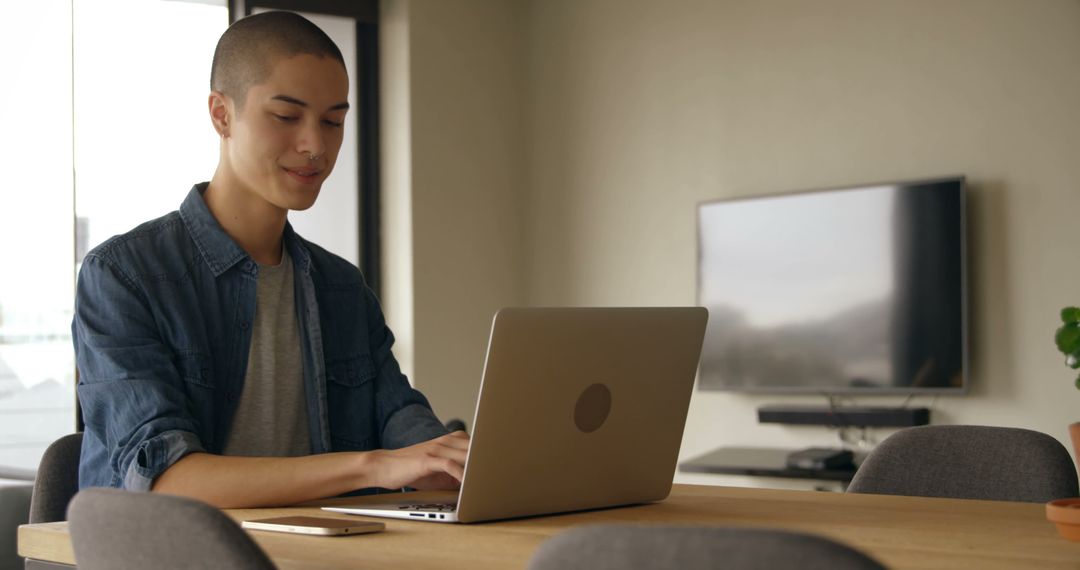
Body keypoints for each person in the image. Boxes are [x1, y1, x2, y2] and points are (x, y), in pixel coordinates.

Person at [72, 11, 468, 508]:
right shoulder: (124, 276)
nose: (315, 146)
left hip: (312, 554)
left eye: (333, 121)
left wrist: (452, 461)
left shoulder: (341, 286)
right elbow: (168, 481)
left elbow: (399, 419)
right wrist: (375, 465)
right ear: (221, 114)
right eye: (286, 117)